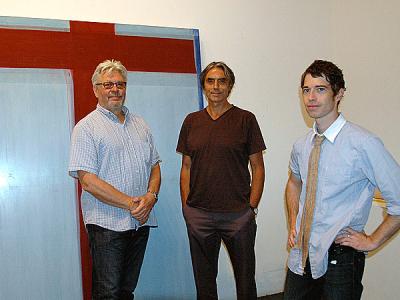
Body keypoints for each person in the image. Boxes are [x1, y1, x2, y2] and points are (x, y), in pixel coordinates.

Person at [284, 59, 400, 300]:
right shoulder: (301, 145)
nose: (311, 97)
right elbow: (294, 182)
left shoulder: (363, 144)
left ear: (339, 94)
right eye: (306, 90)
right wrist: (294, 221)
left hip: (342, 255)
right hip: (302, 252)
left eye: (321, 89)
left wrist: (372, 240)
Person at [68, 59, 161, 300]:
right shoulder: (86, 128)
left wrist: (150, 197)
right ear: (95, 89)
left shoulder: (141, 124)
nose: (115, 89)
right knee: (107, 293)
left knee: (126, 291)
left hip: (140, 223)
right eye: (108, 84)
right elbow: (87, 180)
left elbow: (155, 166)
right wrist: (131, 204)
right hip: (106, 226)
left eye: (120, 84)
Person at [176, 61, 266, 300]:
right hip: (200, 216)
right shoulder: (191, 121)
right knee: (204, 283)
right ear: (204, 86)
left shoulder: (246, 119)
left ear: (230, 86)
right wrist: (188, 208)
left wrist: (251, 207)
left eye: (222, 81)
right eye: (210, 81)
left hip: (238, 215)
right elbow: (186, 167)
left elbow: (257, 167)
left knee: (245, 280)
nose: (216, 86)